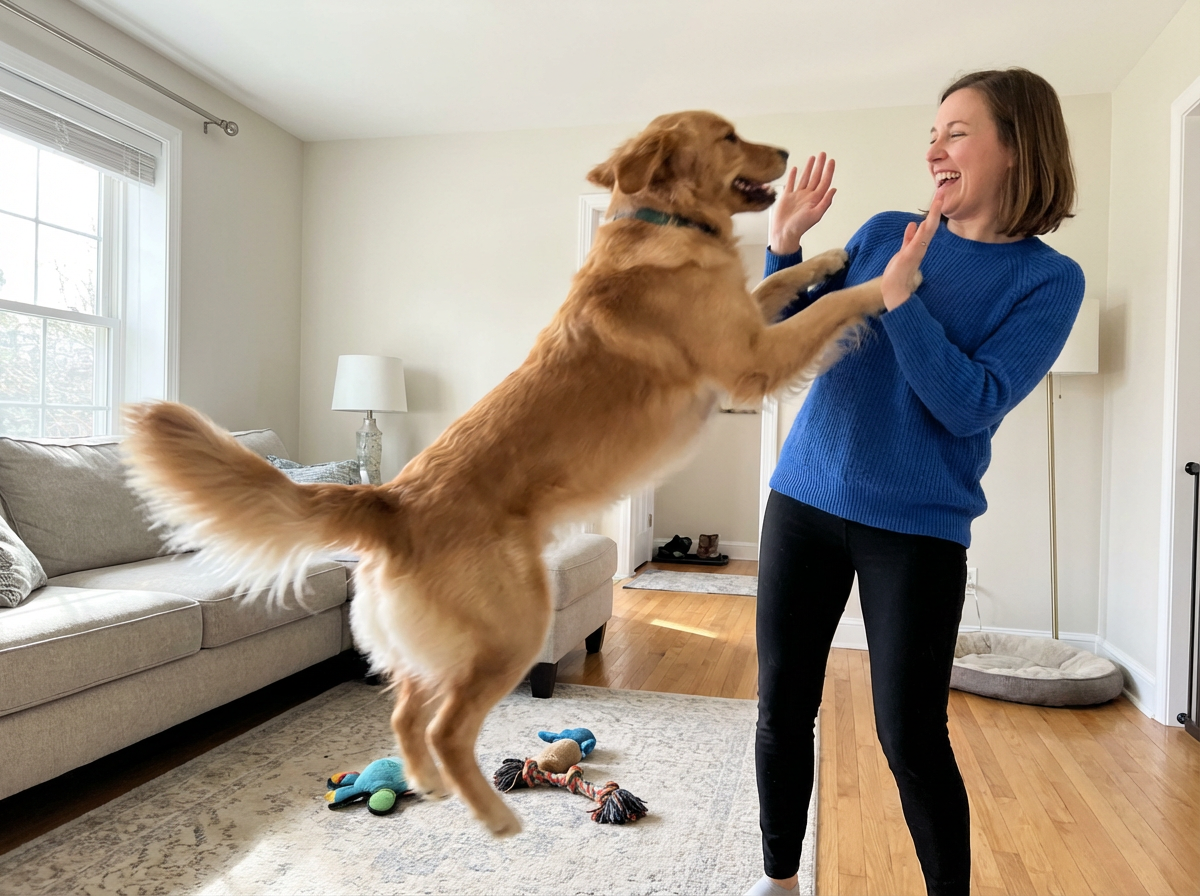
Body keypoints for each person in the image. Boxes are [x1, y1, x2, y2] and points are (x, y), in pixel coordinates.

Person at [745, 69, 1084, 896]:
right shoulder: (881, 230)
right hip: (804, 499)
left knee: (910, 734)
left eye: (958, 131)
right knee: (782, 708)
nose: (934, 146)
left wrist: (903, 301)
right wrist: (784, 249)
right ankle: (780, 881)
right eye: (934, 132)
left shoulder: (1048, 281)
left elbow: (970, 405)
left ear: (1016, 148)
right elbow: (777, 343)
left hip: (922, 527)